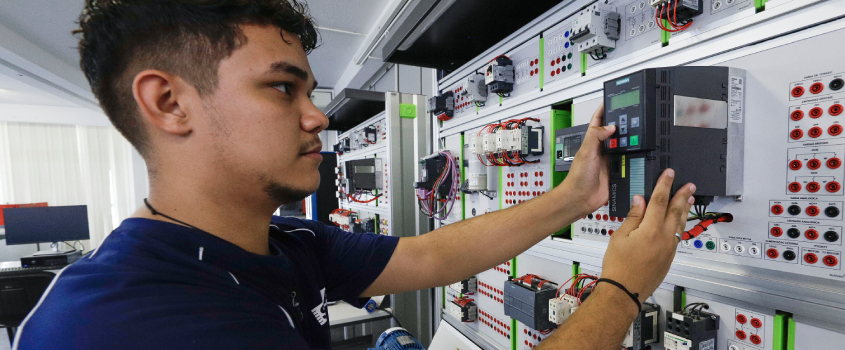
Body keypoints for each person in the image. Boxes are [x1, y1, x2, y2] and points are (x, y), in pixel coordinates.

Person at [14, 1, 696, 349]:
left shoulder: (280, 246)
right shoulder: (125, 324)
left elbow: (428, 253)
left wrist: (574, 196)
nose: (320, 120)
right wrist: (621, 290)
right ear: (169, 103)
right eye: (283, 90)